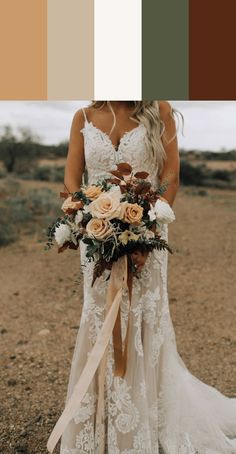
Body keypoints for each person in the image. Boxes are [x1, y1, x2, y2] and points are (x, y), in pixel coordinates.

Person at [48, 101, 236, 453]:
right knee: (98, 317)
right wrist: (83, 214)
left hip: (146, 234)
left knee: (144, 318)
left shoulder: (158, 111)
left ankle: (145, 421)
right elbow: (73, 177)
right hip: (96, 236)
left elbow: (170, 176)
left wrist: (146, 230)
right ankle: (99, 419)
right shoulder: (83, 117)